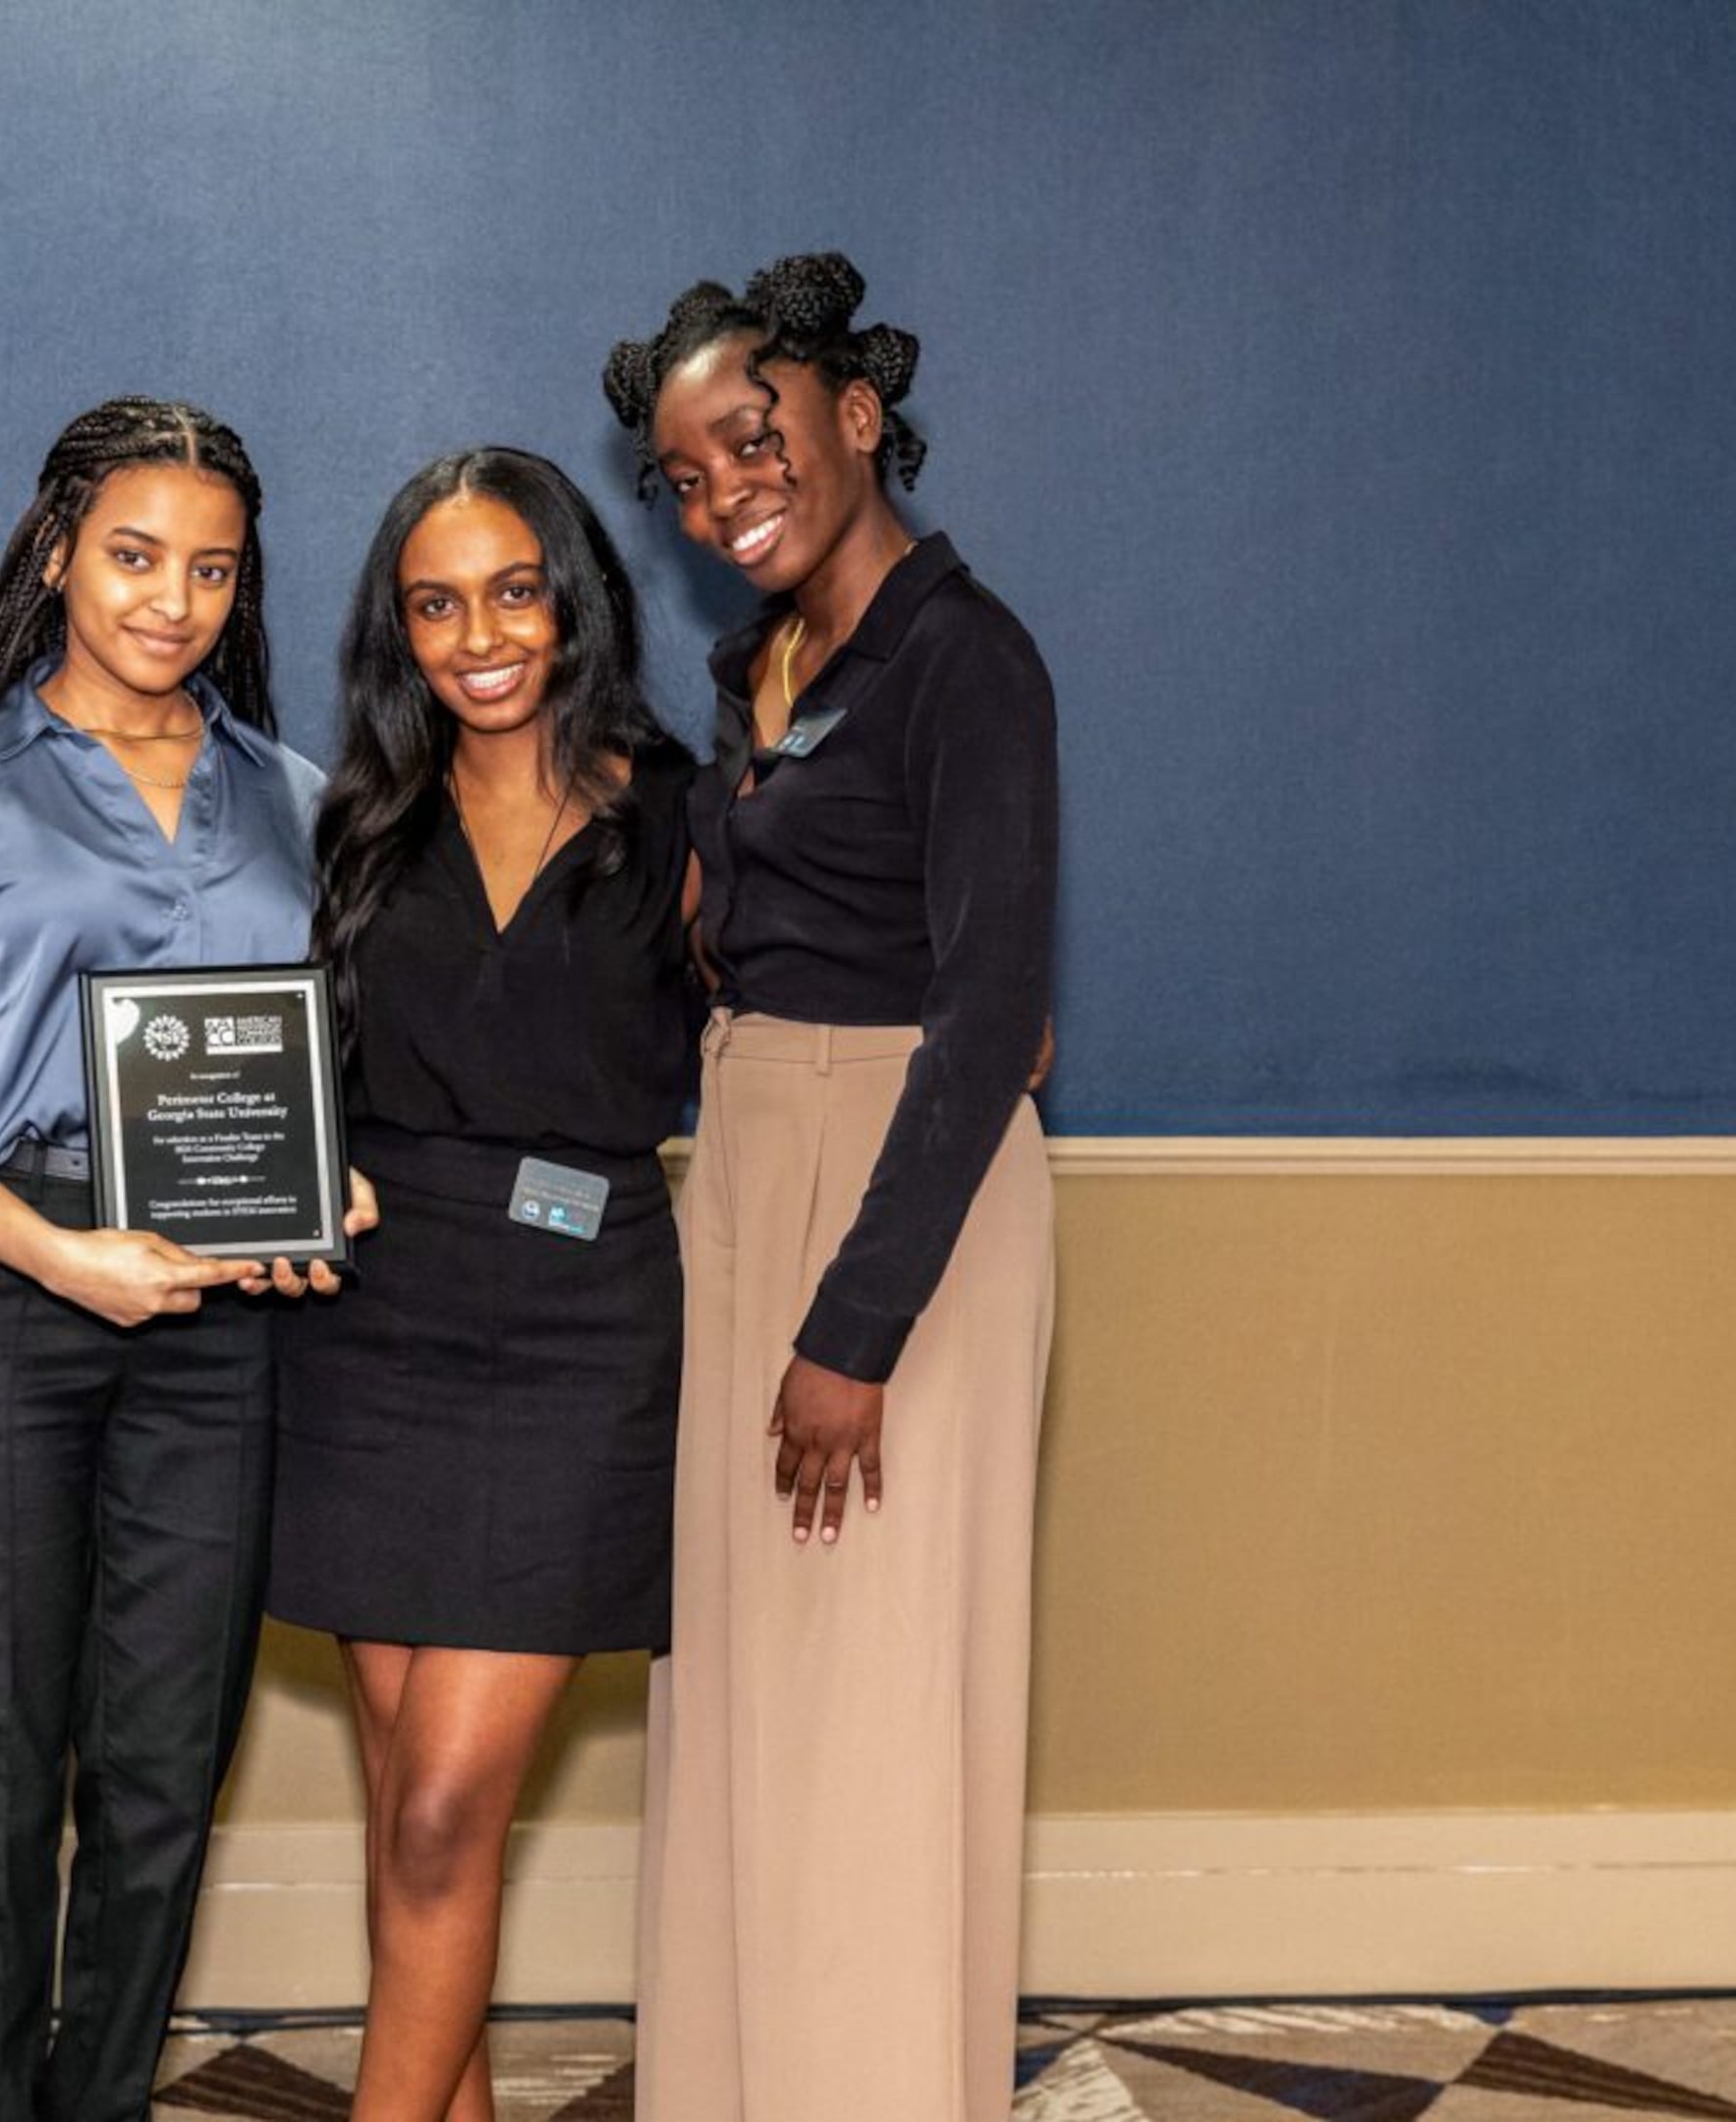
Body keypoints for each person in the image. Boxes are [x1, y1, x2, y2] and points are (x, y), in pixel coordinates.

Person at [0, 396, 369, 2122]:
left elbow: (323, 1075)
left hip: (224, 1327)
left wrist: (332, 1188)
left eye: (212, 569)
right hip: (2, 1300)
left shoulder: (302, 799)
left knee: (163, 1770)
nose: (173, 599)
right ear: (60, 551)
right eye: (137, 556)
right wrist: (61, 1261)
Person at [598, 254, 1060, 2122]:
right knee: (743, 1694)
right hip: (751, 1167)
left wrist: (853, 1331)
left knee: (869, 1707)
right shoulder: (758, 673)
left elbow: (994, 1015)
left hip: (904, 1217)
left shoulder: (971, 659)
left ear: (857, 418)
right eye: (686, 480)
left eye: (752, 442)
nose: (723, 498)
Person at [270, 447, 700, 2122]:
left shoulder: (685, 809)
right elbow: (281, 1070)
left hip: (584, 1333)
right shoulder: (356, 822)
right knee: (410, 1816)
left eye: (514, 590)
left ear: (574, 597)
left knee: (446, 1810)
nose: (481, 635)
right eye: (436, 605)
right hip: (371, 1331)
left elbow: (807, 999)